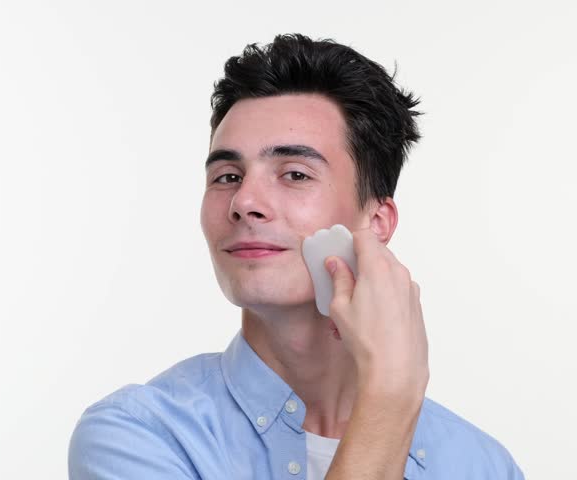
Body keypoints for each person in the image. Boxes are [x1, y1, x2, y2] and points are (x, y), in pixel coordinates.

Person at [68, 33, 525, 479]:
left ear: (377, 222)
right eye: (227, 176)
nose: (244, 201)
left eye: (294, 174)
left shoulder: (481, 465)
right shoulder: (138, 436)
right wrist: (388, 395)